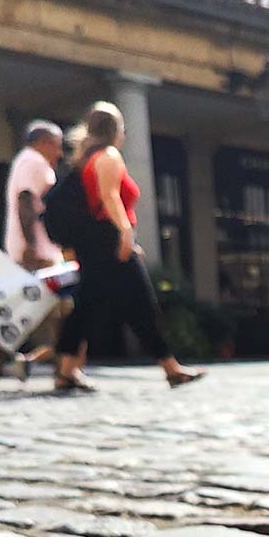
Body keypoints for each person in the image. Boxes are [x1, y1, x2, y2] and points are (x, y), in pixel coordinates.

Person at [52, 101, 204, 391]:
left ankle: (66, 371)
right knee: (142, 304)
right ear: (116, 129)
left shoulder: (87, 158)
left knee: (87, 305)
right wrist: (125, 234)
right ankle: (171, 369)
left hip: (94, 243)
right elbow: (110, 198)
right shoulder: (108, 156)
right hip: (109, 241)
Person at [0, 120, 69, 383]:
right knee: (60, 308)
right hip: (37, 249)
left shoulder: (26, 161)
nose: (59, 153)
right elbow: (26, 200)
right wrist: (33, 246)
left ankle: (33, 363)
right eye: (57, 146)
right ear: (44, 142)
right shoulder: (34, 162)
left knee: (42, 307)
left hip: (35, 247)